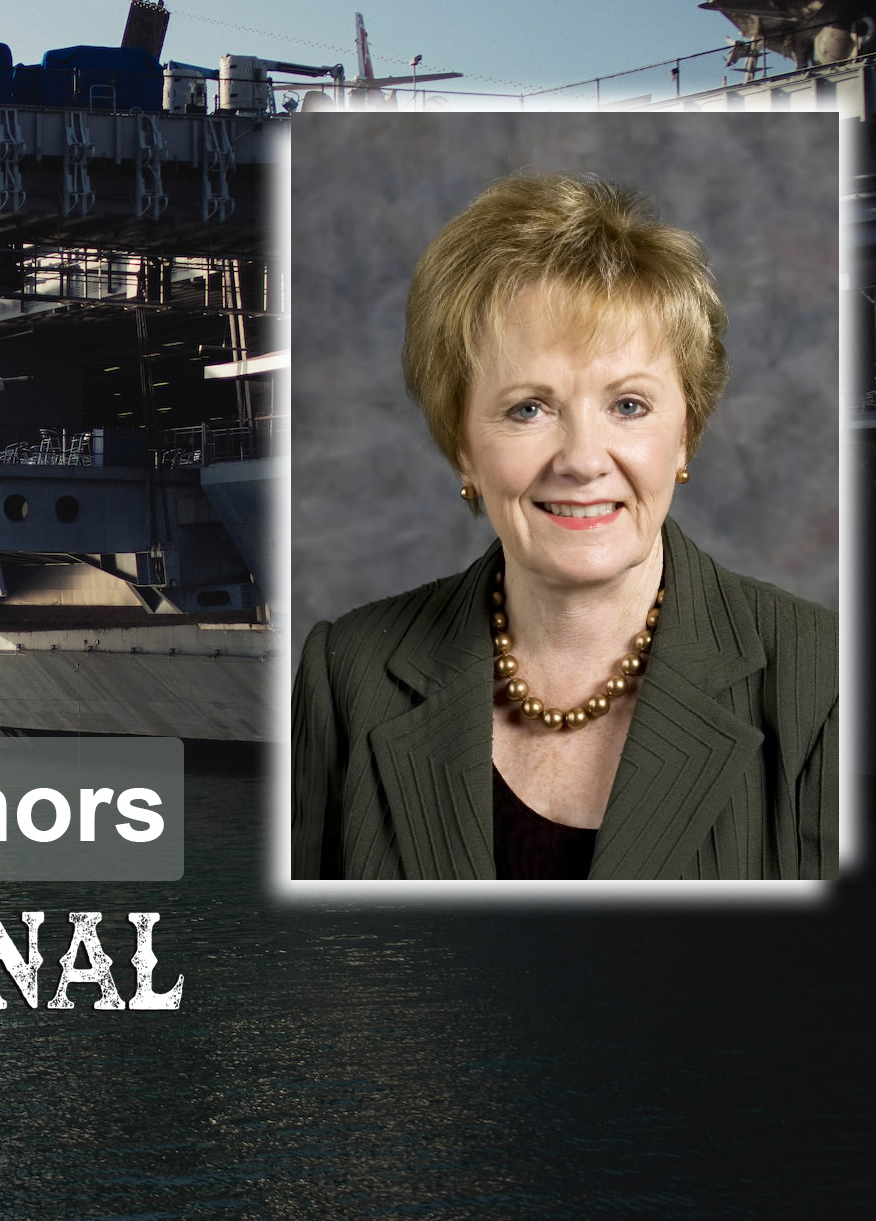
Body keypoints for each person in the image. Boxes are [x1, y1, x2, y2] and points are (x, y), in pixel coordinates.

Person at [291, 172, 837, 880]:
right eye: (528, 408)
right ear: (461, 445)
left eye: (630, 406)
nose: (582, 460)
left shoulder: (817, 680)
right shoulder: (347, 675)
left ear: (686, 435)